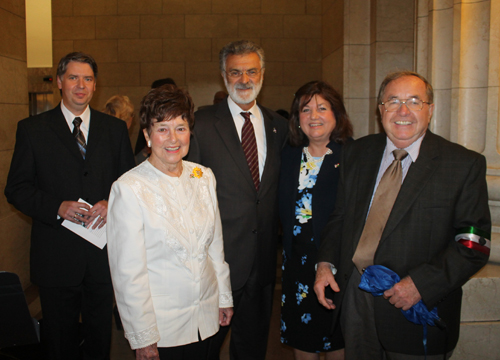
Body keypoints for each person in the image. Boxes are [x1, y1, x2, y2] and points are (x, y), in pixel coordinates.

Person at [314, 71, 491, 359]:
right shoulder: (357, 153)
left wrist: (421, 284)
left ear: (430, 110)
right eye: (393, 101)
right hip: (356, 302)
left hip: (416, 308)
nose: (403, 111)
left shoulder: (463, 165)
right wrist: (325, 263)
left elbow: (473, 245)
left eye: (414, 101)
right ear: (380, 109)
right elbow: (341, 217)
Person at [4, 52, 135, 360]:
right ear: (60, 82)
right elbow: (17, 189)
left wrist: (111, 201)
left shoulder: (114, 130)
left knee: (99, 338)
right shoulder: (32, 129)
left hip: (101, 255)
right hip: (56, 256)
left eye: (87, 79)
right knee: (58, 341)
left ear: (95, 85)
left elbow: (130, 183)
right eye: (73, 78)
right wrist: (57, 207)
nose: (81, 85)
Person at [107, 84, 233, 360]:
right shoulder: (129, 188)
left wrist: (224, 296)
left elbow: (216, 246)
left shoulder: (203, 176)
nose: (173, 138)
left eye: (181, 127)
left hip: (208, 320)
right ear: (147, 136)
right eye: (162, 128)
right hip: (163, 332)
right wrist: (143, 337)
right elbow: (128, 274)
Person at [187, 40, 288, 359]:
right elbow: (189, 194)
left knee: (253, 346)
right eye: (235, 72)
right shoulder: (201, 124)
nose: (244, 80)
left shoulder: (279, 126)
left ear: (263, 74)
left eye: (251, 71)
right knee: (205, 347)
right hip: (217, 262)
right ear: (223, 75)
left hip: (262, 262)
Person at [279, 81, 352, 360]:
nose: (314, 116)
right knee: (303, 343)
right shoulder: (287, 156)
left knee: (337, 343)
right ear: (297, 119)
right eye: (305, 110)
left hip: (337, 267)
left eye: (322, 108)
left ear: (337, 115)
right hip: (296, 268)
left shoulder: (353, 156)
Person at [134, 78, 177, 159]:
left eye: (180, 129)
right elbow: (139, 153)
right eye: (162, 130)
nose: (173, 139)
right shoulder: (149, 120)